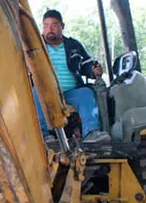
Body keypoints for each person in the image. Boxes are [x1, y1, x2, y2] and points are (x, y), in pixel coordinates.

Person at [35, 9, 109, 143]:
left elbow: (86, 64)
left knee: (86, 93)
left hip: (71, 92)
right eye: (45, 25)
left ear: (62, 26)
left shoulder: (73, 46)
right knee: (34, 91)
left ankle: (91, 132)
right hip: (45, 92)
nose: (49, 29)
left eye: (54, 25)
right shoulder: (35, 46)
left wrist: (94, 70)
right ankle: (44, 135)